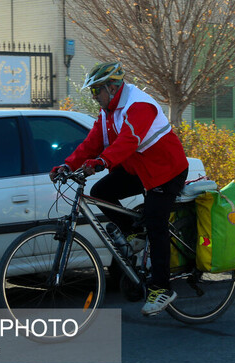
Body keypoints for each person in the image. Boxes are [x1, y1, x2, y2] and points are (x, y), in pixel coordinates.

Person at [50, 61, 189, 316]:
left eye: (96, 91)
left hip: (166, 170)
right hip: (139, 169)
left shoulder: (139, 104)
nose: (94, 97)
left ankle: (162, 288)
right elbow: (91, 143)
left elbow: (129, 140)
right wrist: (67, 165)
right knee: (102, 193)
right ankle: (134, 233)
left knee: (156, 223)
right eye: (92, 92)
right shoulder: (107, 112)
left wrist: (103, 161)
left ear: (112, 88)